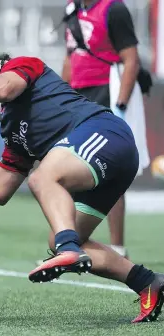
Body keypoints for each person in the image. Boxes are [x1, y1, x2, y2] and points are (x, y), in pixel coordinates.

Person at [0, 53, 164, 323]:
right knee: (59, 237)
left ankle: (69, 250)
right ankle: (147, 283)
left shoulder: (22, 66)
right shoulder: (14, 134)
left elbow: (3, 88)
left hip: (107, 135)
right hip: (106, 159)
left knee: (43, 179)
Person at [60, 0, 151, 258]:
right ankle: (67, 243)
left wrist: (120, 106)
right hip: (78, 97)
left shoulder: (114, 9)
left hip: (107, 92)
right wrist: (62, 96)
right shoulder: (72, 10)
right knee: (68, 167)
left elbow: (131, 59)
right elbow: (70, 57)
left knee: (111, 170)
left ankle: (118, 248)